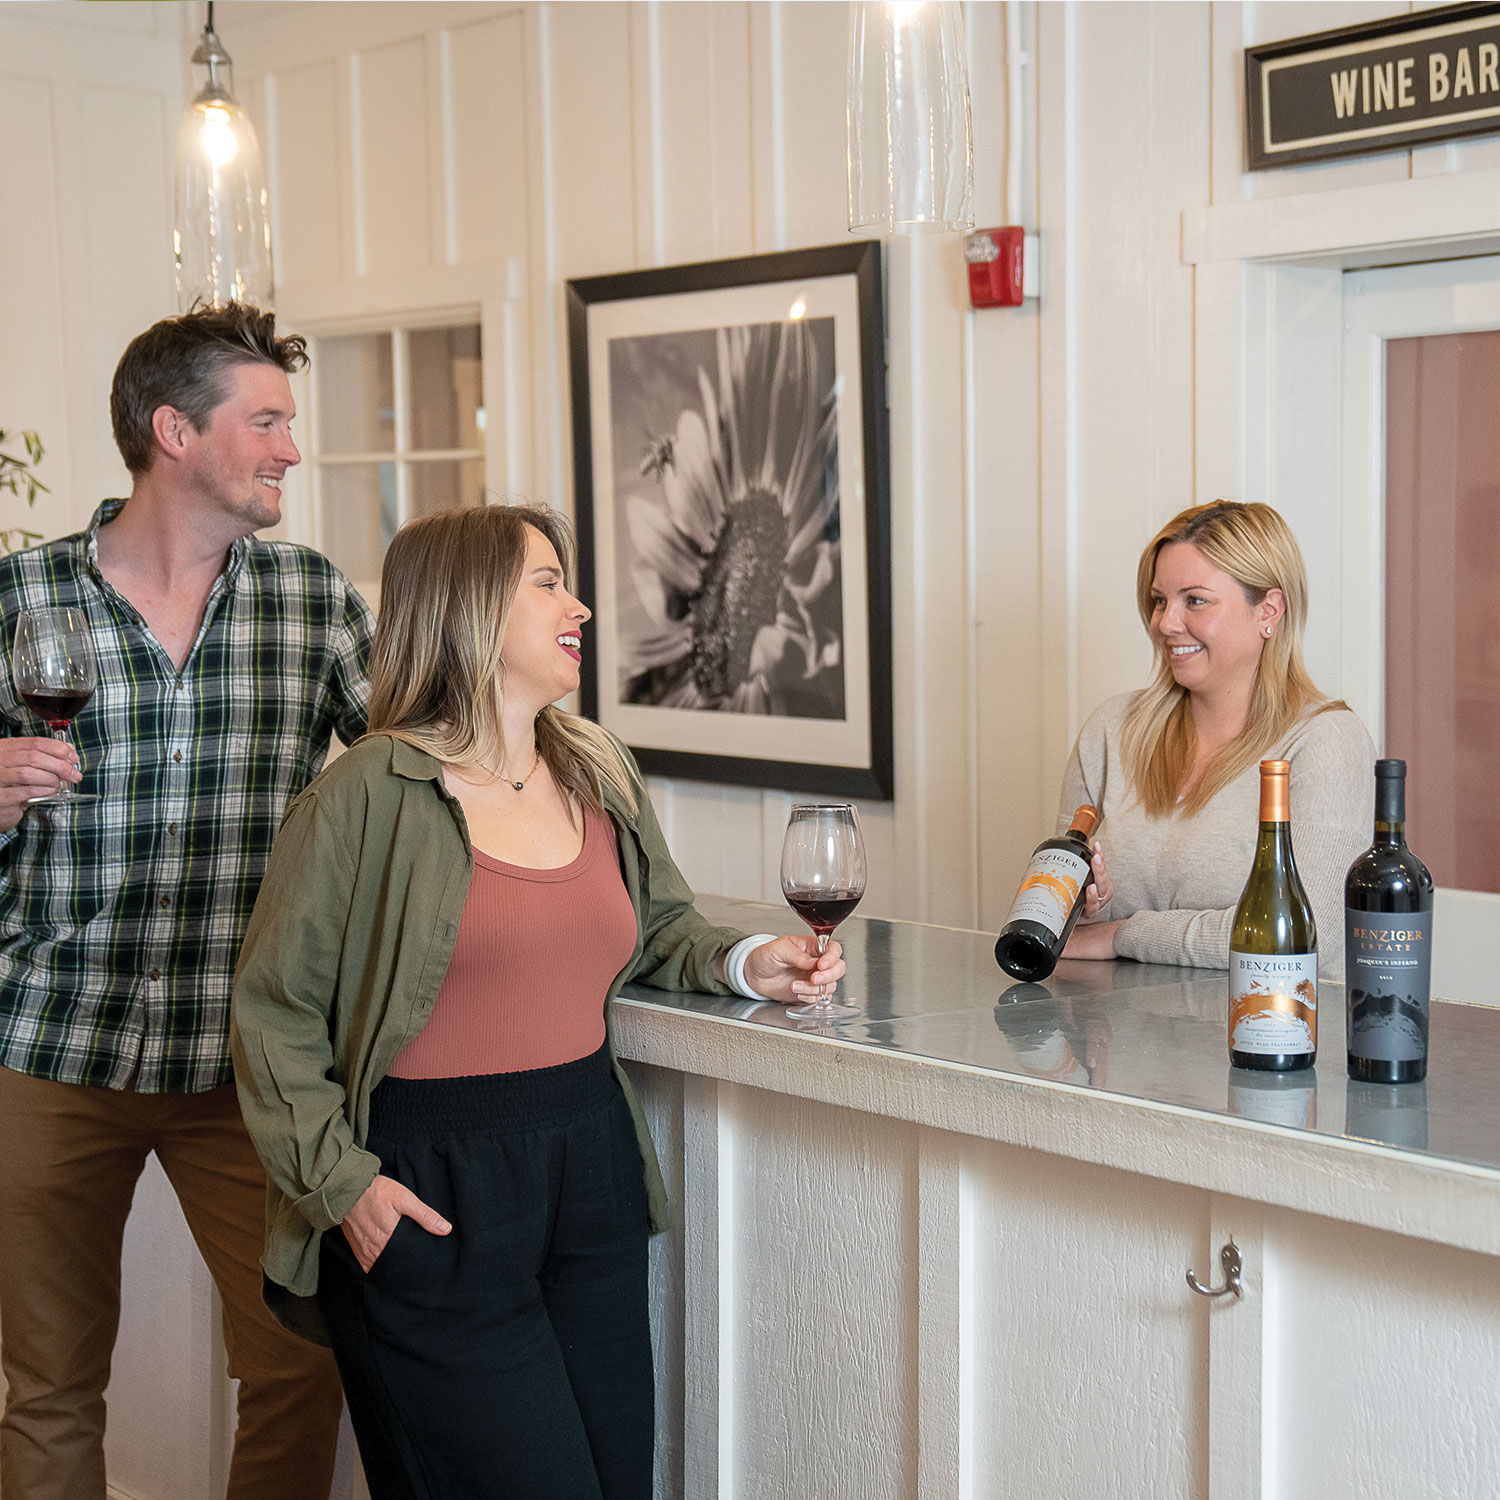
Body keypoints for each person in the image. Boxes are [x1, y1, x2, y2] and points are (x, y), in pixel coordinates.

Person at [231, 502, 845, 1500]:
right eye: (548, 581)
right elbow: (273, 1015)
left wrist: (749, 963)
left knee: (612, 1484)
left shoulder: (594, 768)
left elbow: (659, 925)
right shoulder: (366, 795)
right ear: (469, 607)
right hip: (427, 1188)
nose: (583, 606)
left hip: (589, 1164)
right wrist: (343, 1187)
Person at [0, 304, 372, 1500]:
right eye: (265, 421)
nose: (289, 451)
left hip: (242, 1067)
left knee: (300, 1365)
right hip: (43, 1051)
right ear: (175, 430)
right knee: (49, 1391)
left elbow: (425, 773)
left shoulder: (311, 601)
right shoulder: (18, 596)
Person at [1057, 499, 1373, 979]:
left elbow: (1301, 931)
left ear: (1268, 610)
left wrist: (1121, 935)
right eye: (1160, 600)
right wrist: (1086, 910)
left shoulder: (1326, 742)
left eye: (1195, 600)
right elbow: (1055, 923)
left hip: (1269, 1041)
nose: (1165, 623)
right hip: (1113, 1041)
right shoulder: (1111, 729)